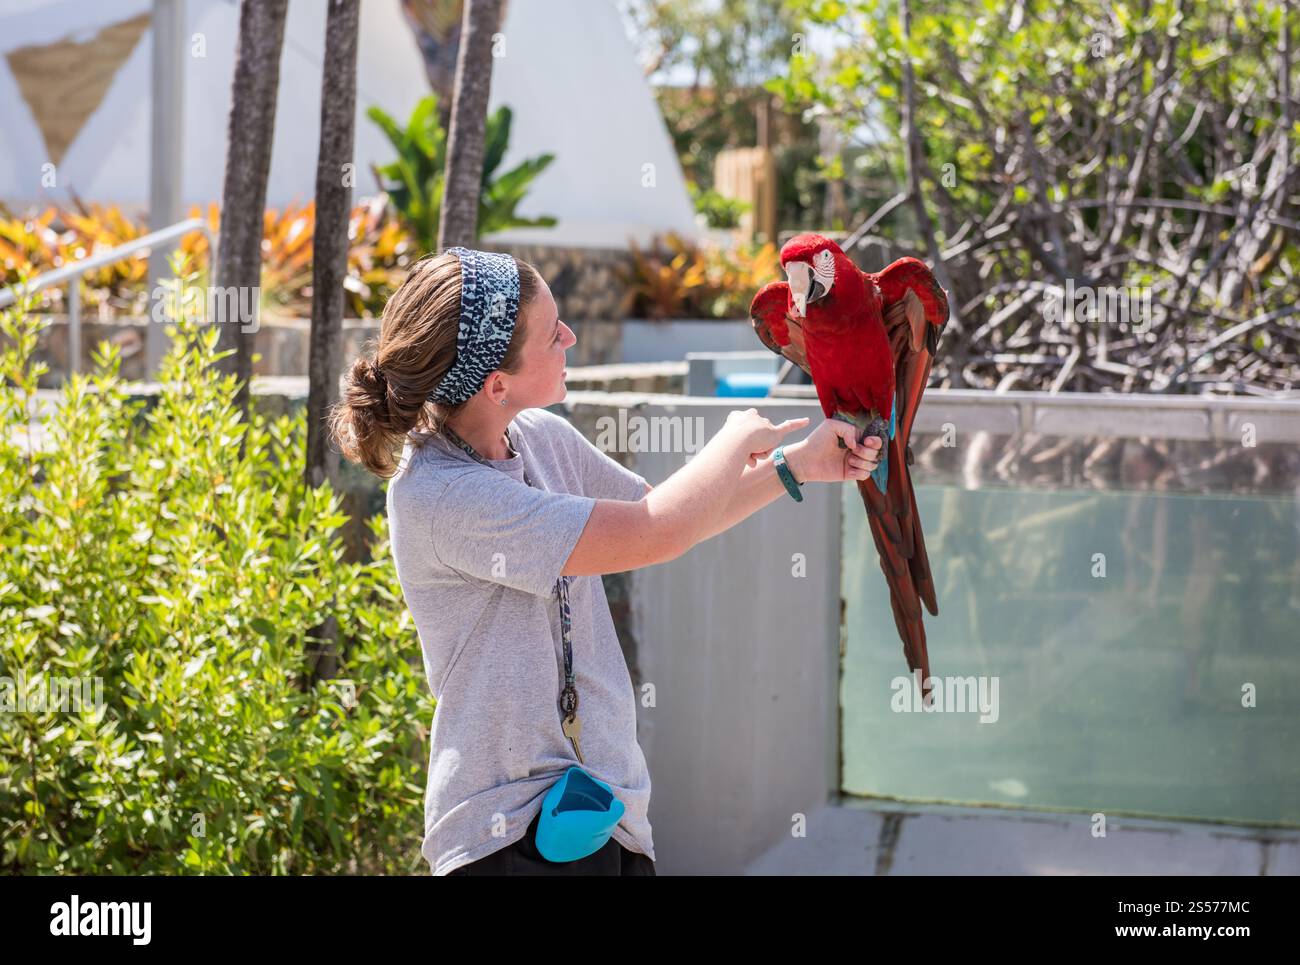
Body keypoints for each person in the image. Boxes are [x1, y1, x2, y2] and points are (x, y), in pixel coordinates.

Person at [329, 246, 882, 876]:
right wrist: (732, 441)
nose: (570, 336)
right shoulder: (443, 495)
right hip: (505, 835)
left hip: (605, 815)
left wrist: (799, 465)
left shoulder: (540, 437)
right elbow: (658, 531)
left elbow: (668, 517)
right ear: (496, 382)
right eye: (550, 333)